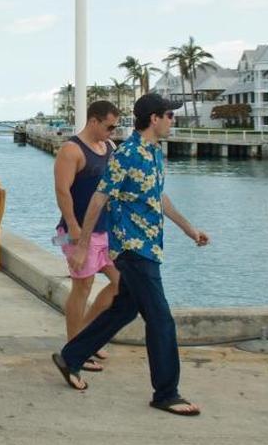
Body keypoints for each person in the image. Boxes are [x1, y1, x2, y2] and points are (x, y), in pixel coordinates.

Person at [53, 94, 211, 417]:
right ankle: (166, 392)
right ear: (154, 118)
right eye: (169, 115)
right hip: (131, 248)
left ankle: (71, 356)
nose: (172, 120)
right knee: (161, 320)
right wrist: (82, 244)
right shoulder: (126, 154)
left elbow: (158, 198)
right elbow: (99, 199)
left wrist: (189, 229)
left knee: (124, 309)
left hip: (149, 246)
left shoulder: (154, 153)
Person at [54, 100, 122, 372]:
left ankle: (86, 338)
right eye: (109, 126)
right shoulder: (71, 150)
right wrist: (72, 226)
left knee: (122, 283)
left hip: (106, 230)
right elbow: (62, 190)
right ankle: (74, 349)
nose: (112, 131)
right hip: (78, 231)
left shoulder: (109, 148)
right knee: (82, 286)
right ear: (94, 121)